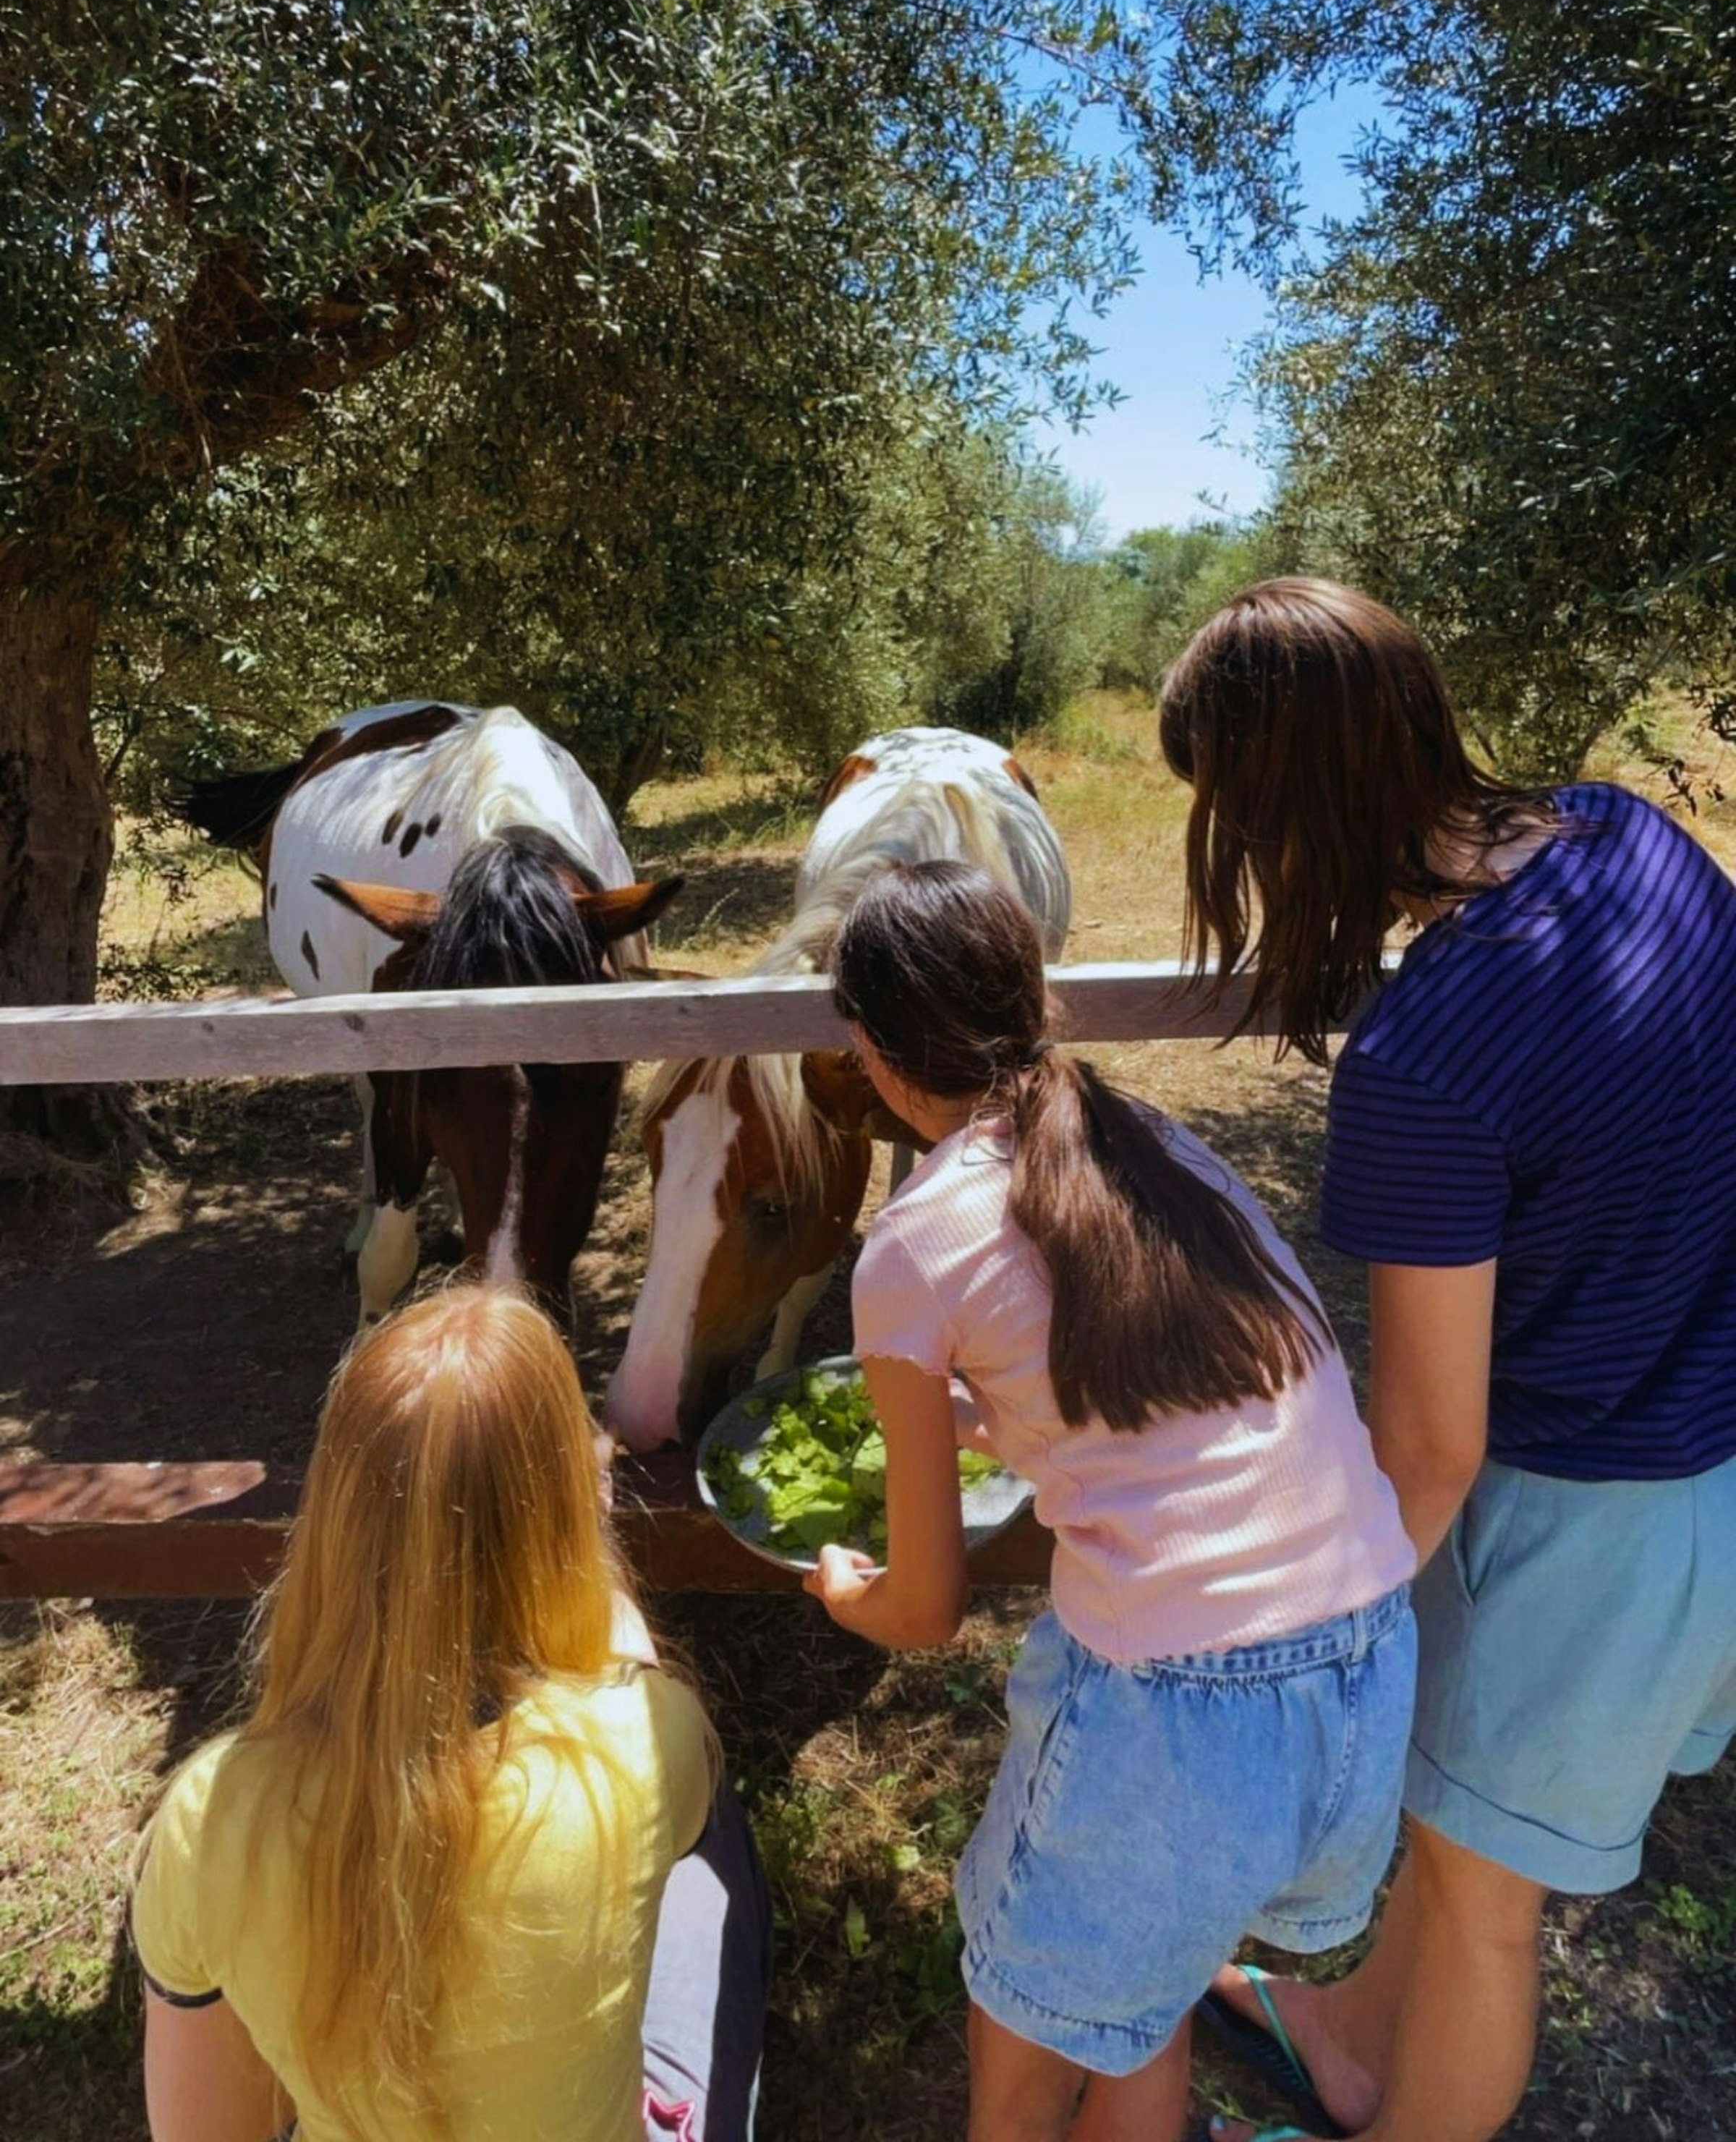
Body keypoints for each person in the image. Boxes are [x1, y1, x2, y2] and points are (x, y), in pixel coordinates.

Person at [1158, 577, 1736, 2142]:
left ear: (1278, 806)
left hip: (1582, 1527)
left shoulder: (1427, 1062)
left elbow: (1428, 1447)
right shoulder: (1638, 840)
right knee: (1457, 1821)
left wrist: (1306, 1650)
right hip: (1709, 1461)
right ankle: (1345, 2037)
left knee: (1489, 1905)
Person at [804, 857, 1417, 2142]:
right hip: (1365, 1661)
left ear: (866, 1048)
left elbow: (923, 1610)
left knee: (1025, 2058)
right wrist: (1005, 1419)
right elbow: (1194, 1399)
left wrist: (842, 1592)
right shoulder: (1161, 1144)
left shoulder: (914, 1242)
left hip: (1179, 1720)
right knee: (1142, 2001)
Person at [130, 1285, 771, 2142]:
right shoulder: (644, 1743)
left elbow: (205, 2133)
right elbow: (626, 1673)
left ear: (334, 1521)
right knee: (713, 1854)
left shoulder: (207, 1820)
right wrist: (596, 1536)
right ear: (564, 1522)